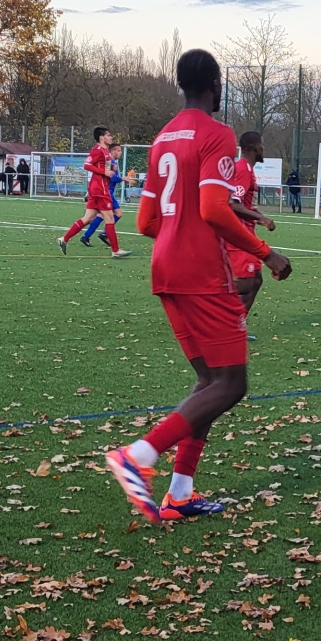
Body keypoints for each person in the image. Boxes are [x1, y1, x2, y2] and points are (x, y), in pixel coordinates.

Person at [107, 49, 291, 523]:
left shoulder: (163, 138)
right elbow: (213, 209)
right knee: (231, 384)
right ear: (215, 84)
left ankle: (179, 494)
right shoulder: (217, 134)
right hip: (201, 272)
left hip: (165, 269)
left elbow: (146, 221)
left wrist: (177, 233)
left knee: (209, 381)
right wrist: (265, 253)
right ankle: (138, 457)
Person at [227, 131, 278, 341]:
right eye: (261, 145)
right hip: (238, 235)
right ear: (253, 147)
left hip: (247, 233)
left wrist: (257, 215)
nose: (263, 149)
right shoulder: (242, 169)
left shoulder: (247, 169)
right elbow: (233, 204)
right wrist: (261, 218)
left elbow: (243, 204)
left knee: (256, 281)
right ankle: (207, 300)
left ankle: (235, 327)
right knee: (247, 282)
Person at [59, 128, 130, 258]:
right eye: (108, 135)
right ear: (102, 138)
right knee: (109, 218)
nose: (111, 137)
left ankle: (64, 239)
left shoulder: (106, 152)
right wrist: (105, 172)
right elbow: (87, 165)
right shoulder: (97, 150)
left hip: (97, 188)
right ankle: (115, 250)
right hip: (100, 190)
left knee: (88, 218)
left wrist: (111, 168)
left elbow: (102, 166)